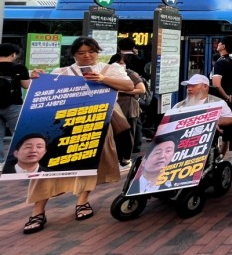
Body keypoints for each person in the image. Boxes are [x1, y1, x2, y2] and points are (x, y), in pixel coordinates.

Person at [23, 37, 134, 234]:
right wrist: (37, 79)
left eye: (91, 52)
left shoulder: (110, 69)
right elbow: (38, 91)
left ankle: (82, 201)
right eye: (81, 53)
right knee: (47, 167)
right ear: (74, 54)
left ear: (97, 52)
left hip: (97, 124)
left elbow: (129, 86)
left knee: (89, 164)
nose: (87, 56)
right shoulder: (62, 72)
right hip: (63, 127)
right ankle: (38, 210)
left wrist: (102, 79)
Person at [108, 53, 146, 169]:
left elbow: (141, 89)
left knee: (128, 134)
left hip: (129, 108)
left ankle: (126, 159)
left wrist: (123, 90)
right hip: (114, 107)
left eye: (121, 63)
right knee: (115, 134)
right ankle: (116, 158)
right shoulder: (108, 75)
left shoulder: (130, 74)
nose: (118, 65)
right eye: (116, 63)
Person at [0, 43, 31, 164]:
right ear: (13, 54)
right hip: (13, 105)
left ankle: (0, 163)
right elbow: (26, 85)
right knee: (19, 134)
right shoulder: (19, 68)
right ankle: (20, 161)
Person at [210, 36, 232, 158]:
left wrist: (226, 96)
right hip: (229, 100)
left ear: (223, 46)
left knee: (215, 128)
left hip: (219, 100)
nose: (217, 45)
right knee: (227, 133)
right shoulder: (231, 61)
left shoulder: (220, 62)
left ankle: (216, 156)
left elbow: (216, 84)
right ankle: (221, 156)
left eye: (219, 43)